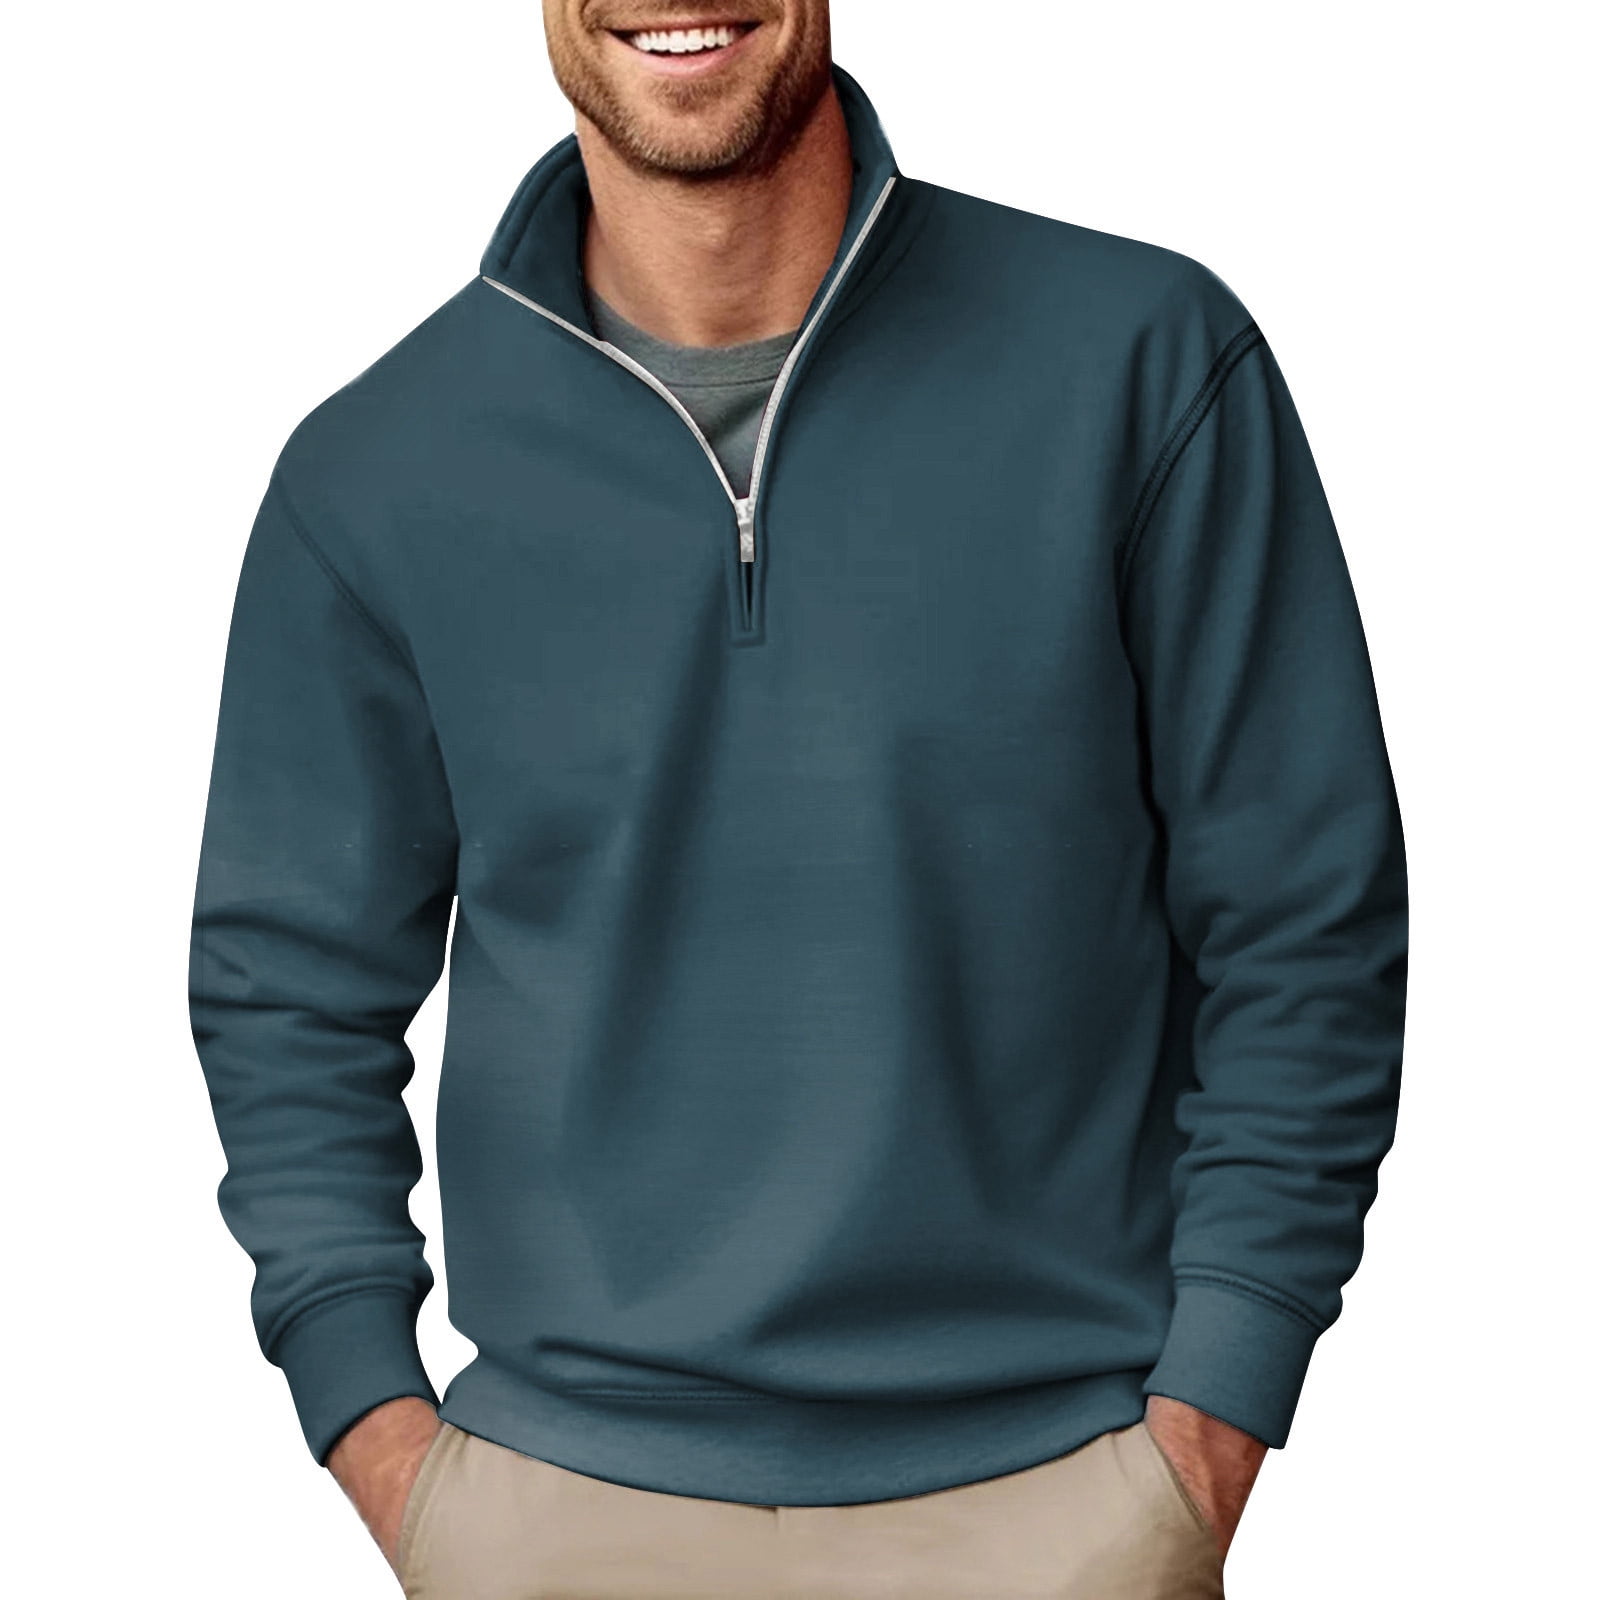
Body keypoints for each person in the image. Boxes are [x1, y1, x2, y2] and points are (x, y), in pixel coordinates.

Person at [187, 3, 1408, 1596]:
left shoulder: (1142, 364)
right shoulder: (374, 470)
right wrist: (376, 1425)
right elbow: (285, 991)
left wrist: (1215, 1413)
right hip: (556, 1517)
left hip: (1061, 1499)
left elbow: (1306, 917)